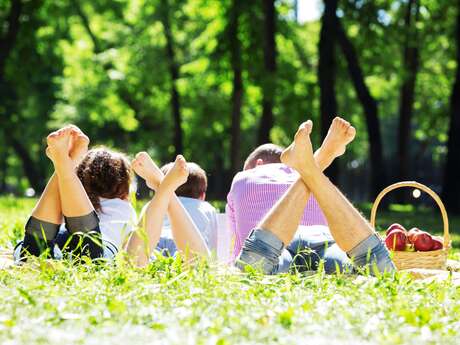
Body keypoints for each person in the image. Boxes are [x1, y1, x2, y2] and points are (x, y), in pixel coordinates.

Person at [237, 118, 395, 275]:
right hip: (328, 240)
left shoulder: (242, 179)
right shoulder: (322, 186)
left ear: (258, 165)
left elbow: (235, 246)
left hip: (280, 243)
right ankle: (322, 158)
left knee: (250, 269)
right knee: (381, 271)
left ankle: (318, 161)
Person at [15, 125, 136, 261]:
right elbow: (132, 247)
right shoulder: (124, 207)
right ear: (124, 184)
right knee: (92, 257)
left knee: (30, 250)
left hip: (58, 237)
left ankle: (64, 165)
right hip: (98, 242)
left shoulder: (68, 199)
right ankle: (64, 165)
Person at [127, 153, 209, 267]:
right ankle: (164, 187)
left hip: (154, 241)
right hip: (185, 244)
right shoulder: (206, 208)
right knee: (200, 266)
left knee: (133, 265)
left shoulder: (150, 206)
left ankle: (163, 187)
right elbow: (214, 251)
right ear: (202, 196)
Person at [160, 162, 218, 252]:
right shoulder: (206, 208)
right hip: (189, 251)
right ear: (203, 195)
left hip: (158, 247)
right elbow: (212, 247)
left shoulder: (155, 205)